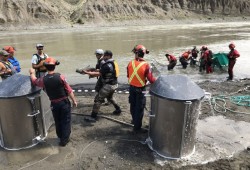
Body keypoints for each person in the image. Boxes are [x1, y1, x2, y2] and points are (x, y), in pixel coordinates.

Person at [29, 57, 77, 147]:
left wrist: (32, 73)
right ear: (55, 66)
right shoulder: (61, 77)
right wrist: (74, 101)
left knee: (57, 121)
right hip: (64, 103)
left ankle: (60, 137)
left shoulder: (43, 79)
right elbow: (69, 90)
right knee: (65, 121)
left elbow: (35, 81)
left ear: (46, 67)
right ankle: (64, 140)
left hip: (54, 104)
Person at [83, 50, 121, 122]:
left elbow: (98, 74)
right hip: (114, 84)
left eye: (105, 56)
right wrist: (91, 71)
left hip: (109, 85)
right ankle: (118, 109)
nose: (103, 57)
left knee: (98, 100)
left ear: (109, 56)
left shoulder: (107, 65)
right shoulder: (113, 62)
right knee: (110, 98)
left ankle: (93, 117)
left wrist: (87, 72)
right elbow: (101, 71)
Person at [127, 45, 156, 133]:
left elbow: (128, 76)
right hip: (141, 89)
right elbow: (151, 80)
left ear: (136, 53)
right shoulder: (146, 65)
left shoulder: (130, 63)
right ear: (143, 54)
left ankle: (134, 120)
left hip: (131, 88)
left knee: (133, 105)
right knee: (139, 108)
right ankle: (137, 128)